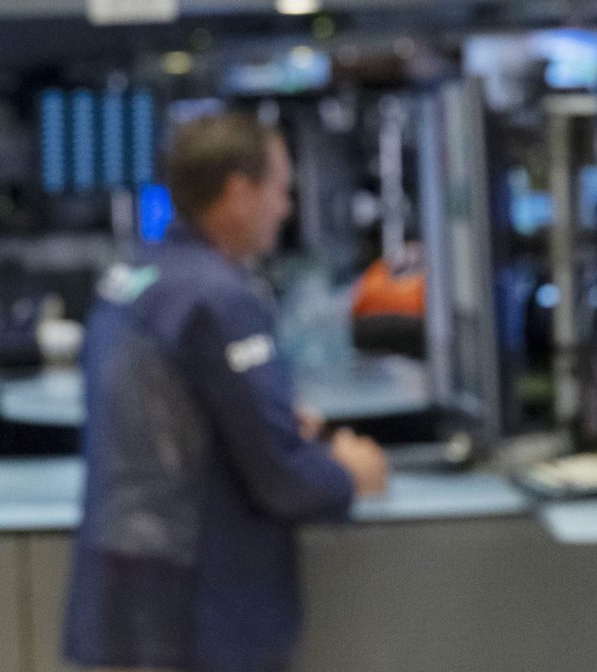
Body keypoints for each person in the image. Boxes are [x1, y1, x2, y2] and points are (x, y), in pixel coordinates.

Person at [63, 113, 389, 672]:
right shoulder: (219, 297)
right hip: (200, 608)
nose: (285, 209)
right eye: (280, 190)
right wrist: (350, 473)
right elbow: (277, 475)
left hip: (122, 596)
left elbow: (168, 422)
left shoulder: (132, 278)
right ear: (239, 192)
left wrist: (271, 420)